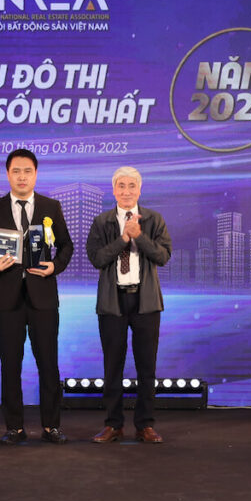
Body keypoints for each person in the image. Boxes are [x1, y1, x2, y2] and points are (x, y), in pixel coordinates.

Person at [0, 148, 73, 445]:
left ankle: (51, 426)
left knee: (48, 363)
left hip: (43, 298)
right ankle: (14, 427)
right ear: (8, 174)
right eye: (16, 171)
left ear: (36, 174)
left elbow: (66, 246)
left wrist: (55, 266)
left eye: (27, 171)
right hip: (7, 298)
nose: (22, 176)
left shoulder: (51, 206)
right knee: (10, 364)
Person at [86, 166, 171, 443]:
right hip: (113, 302)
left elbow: (163, 256)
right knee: (113, 365)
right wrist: (123, 237)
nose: (126, 191)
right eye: (121, 186)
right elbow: (97, 259)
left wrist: (139, 236)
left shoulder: (154, 219)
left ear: (139, 189)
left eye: (131, 185)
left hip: (146, 301)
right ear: (113, 190)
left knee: (147, 366)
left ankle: (145, 425)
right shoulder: (102, 222)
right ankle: (113, 424)